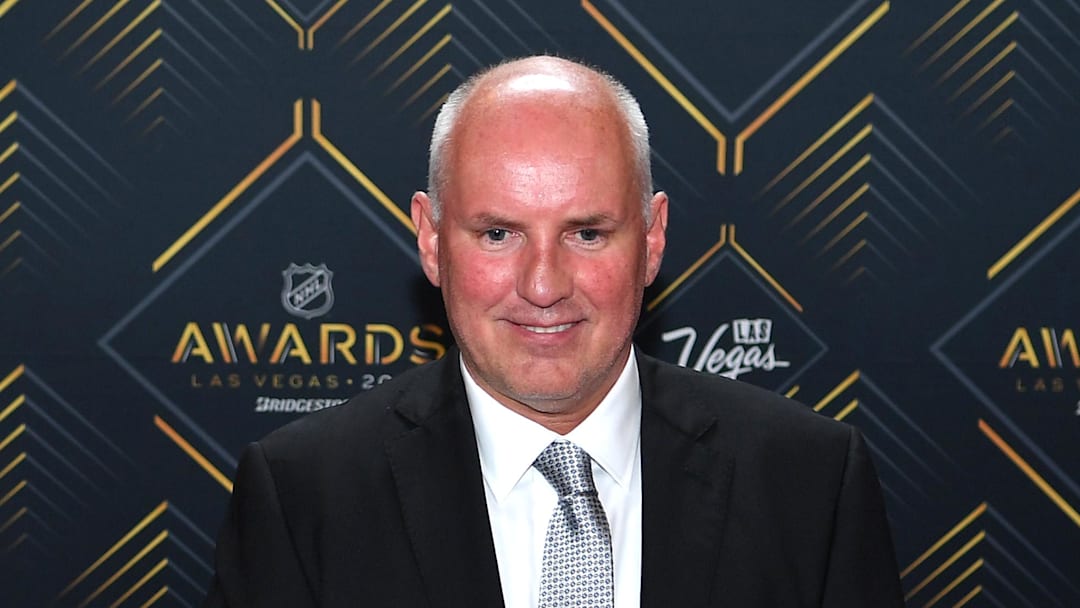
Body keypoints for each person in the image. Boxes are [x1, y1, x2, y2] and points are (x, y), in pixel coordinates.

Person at [203, 56, 904, 607]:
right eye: (499, 232)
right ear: (432, 239)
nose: (543, 285)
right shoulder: (304, 495)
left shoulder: (809, 484)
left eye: (588, 233)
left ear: (653, 239)